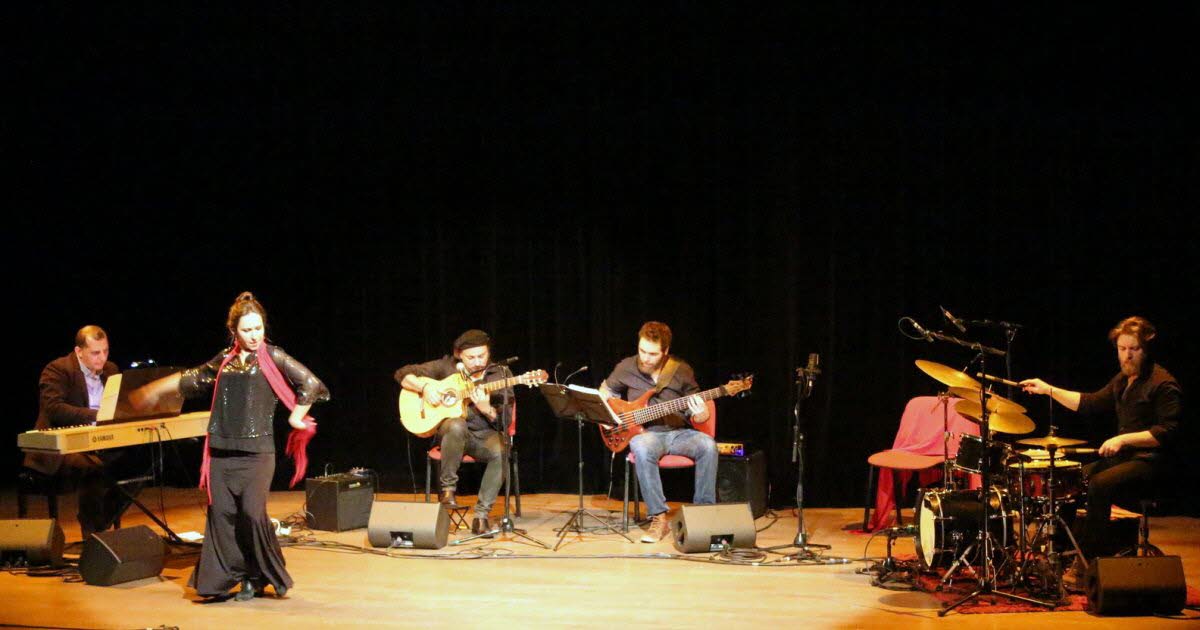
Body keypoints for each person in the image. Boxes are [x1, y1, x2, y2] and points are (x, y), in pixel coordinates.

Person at [133, 292, 328, 601]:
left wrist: (296, 416)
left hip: (257, 454)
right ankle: (230, 579)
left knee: (251, 515)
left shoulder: (274, 357)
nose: (254, 336)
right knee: (222, 516)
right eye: (247, 330)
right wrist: (157, 389)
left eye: (259, 328)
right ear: (234, 331)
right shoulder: (224, 361)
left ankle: (257, 575)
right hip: (222, 453)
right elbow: (194, 378)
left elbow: (312, 384)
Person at [1020, 316, 1182, 558]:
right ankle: (1062, 551)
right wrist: (1048, 390)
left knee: (1099, 484)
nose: (1127, 356)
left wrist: (1122, 440)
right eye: (1122, 349)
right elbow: (1090, 403)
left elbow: (1166, 433)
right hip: (1126, 460)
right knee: (1072, 479)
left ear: (1146, 350)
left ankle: (1090, 558)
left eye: (1134, 349)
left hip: (1151, 461)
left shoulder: (1163, 384)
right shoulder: (1123, 380)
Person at [600, 321, 716, 543]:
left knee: (708, 446)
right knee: (641, 447)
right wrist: (605, 417)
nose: (645, 358)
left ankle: (704, 514)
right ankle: (659, 518)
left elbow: (698, 412)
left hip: (679, 433)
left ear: (665, 352)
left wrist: (701, 415)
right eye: (642, 350)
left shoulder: (681, 370)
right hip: (647, 435)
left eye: (652, 354)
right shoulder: (626, 367)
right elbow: (604, 392)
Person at [395, 329, 510, 537]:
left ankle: (481, 516)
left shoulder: (500, 375)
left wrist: (486, 409)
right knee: (456, 424)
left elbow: (506, 421)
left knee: (501, 452)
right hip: (452, 435)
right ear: (459, 355)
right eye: (471, 357)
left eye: (482, 356)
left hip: (484, 435)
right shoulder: (445, 367)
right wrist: (425, 386)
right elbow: (402, 374)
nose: (477, 362)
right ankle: (447, 491)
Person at [24, 325, 125, 540]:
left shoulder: (111, 370)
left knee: (141, 459)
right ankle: (94, 537)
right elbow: (54, 408)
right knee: (92, 468)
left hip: (99, 443)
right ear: (79, 352)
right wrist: (96, 415)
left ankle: (103, 521)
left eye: (106, 351)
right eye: (95, 353)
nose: (102, 358)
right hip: (57, 449)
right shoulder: (58, 369)